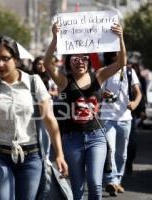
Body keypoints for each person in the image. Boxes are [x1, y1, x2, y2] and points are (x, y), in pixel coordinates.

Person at [0, 36, 68, 200]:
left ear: (15, 60)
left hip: (30, 157)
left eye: (5, 59)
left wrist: (59, 154)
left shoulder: (33, 82)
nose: (0, 64)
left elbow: (50, 120)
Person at [43, 22, 126, 200]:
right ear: (69, 62)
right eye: (75, 59)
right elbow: (46, 63)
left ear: (89, 61)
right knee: (77, 188)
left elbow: (121, 62)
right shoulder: (64, 81)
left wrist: (120, 37)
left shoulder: (100, 75)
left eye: (84, 58)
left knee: (95, 183)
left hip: (96, 136)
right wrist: (55, 39)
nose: (80, 62)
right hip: (72, 139)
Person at [100, 52, 142, 196]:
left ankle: (117, 180)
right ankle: (111, 180)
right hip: (107, 117)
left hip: (125, 118)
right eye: (112, 54)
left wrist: (135, 103)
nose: (115, 56)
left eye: (117, 54)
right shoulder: (103, 72)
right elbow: (94, 91)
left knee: (122, 154)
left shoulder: (129, 71)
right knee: (109, 149)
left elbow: (138, 92)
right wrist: (102, 94)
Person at [126, 62, 147, 175]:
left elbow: (142, 95)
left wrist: (142, 109)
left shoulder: (141, 80)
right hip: (124, 111)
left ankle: (129, 161)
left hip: (134, 112)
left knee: (132, 141)